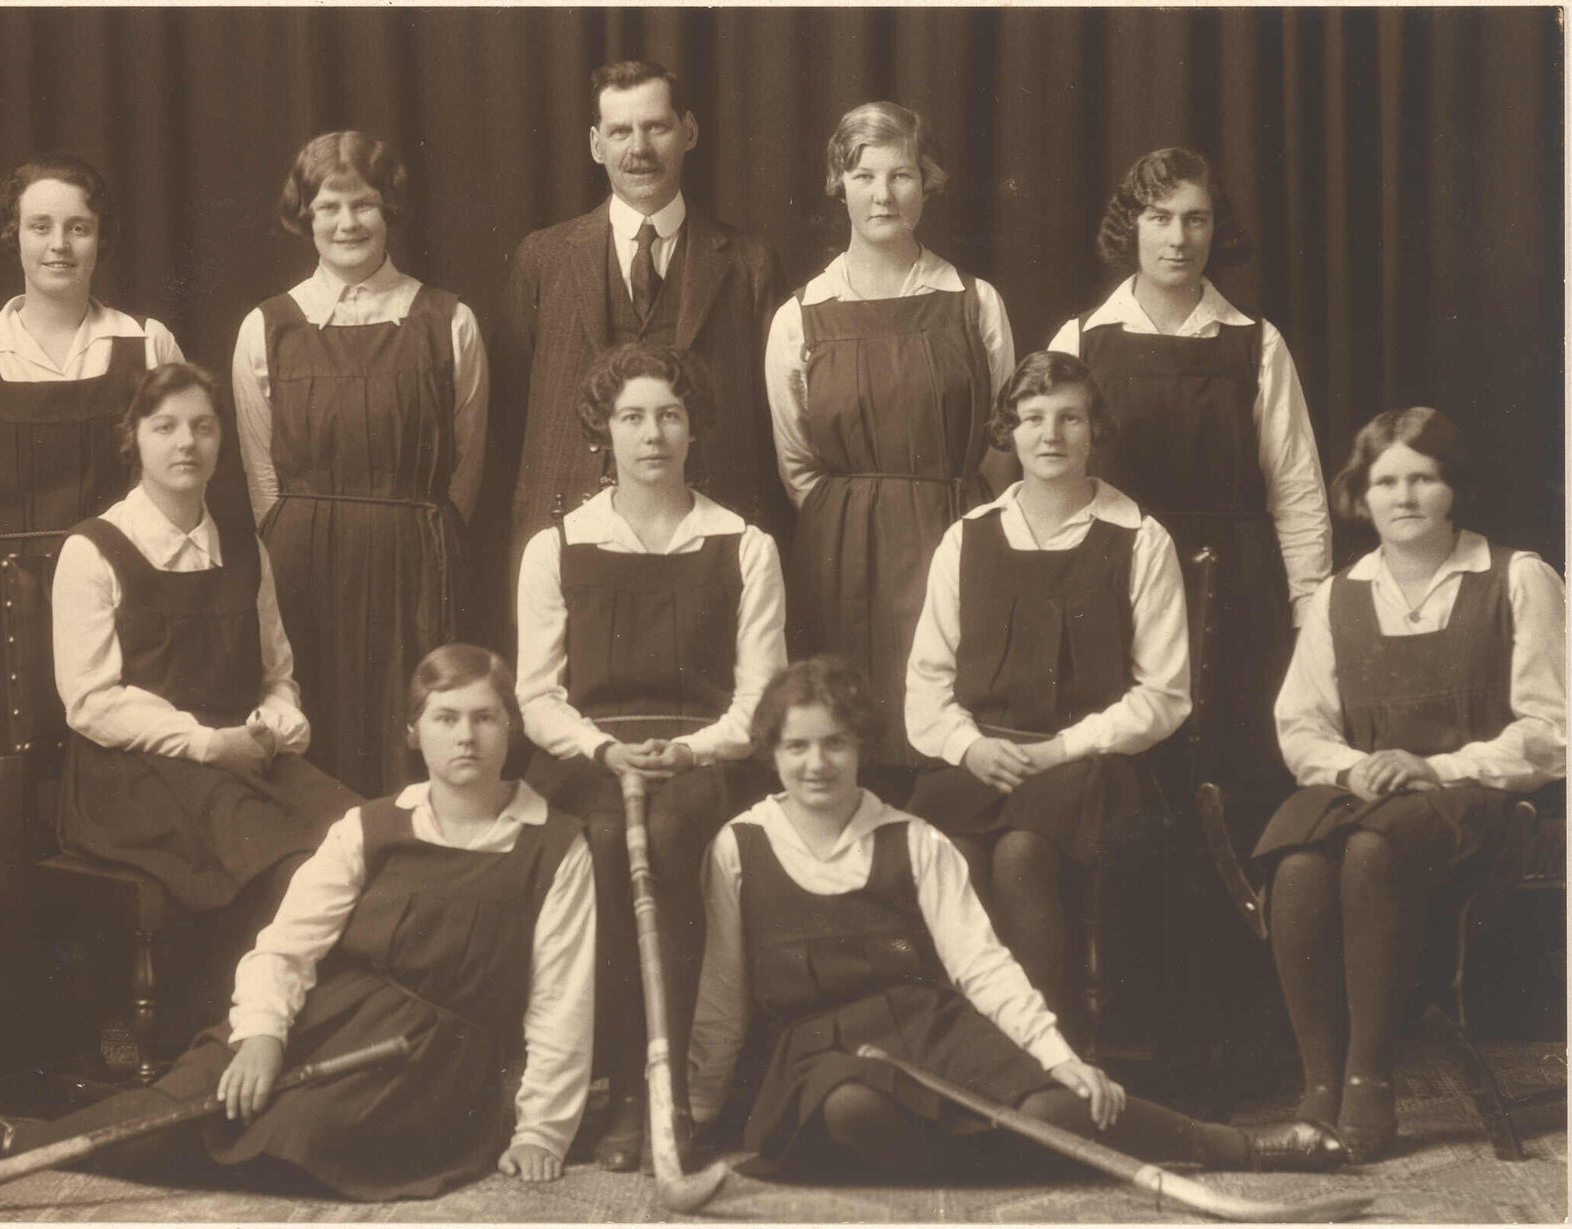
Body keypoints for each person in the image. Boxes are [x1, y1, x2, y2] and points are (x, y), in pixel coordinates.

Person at [0, 644, 596, 1200]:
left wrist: (543, 1130)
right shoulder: (372, 826)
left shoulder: (553, 844)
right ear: (415, 732)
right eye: (446, 718)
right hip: (325, 1018)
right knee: (197, 1088)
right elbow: (286, 947)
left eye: (484, 717)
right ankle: (9, 1140)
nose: (466, 737)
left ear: (513, 726)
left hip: (428, 1070)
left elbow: (562, 1004)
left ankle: (25, 1143)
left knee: (305, 1135)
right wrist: (261, 1036)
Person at [687, 657, 1345, 1180]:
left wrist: (1061, 1059)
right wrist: (697, 1110)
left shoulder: (912, 839)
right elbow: (722, 995)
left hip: (927, 1035)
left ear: (861, 744)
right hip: (818, 1057)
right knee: (852, 1108)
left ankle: (1237, 1148)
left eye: (834, 743)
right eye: (796, 746)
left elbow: (984, 967)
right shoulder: (739, 845)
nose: (815, 764)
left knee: (1059, 1106)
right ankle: (1028, 1156)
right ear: (772, 752)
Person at [1255, 407, 1565, 1161]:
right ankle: (1319, 1086)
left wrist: (1439, 767)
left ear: (1453, 486)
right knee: (1297, 859)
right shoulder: (1340, 595)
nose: (1404, 496)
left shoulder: (1516, 577)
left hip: (1478, 801)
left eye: (1422, 477)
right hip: (1366, 796)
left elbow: (1553, 727)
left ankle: (1370, 1079)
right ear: (1361, 495)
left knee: (1371, 848)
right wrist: (1349, 766)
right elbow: (1300, 725)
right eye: (1385, 480)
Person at [516, 343, 786, 1170]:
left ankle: (669, 1090)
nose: (653, 434)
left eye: (670, 414)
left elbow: (759, 703)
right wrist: (605, 749)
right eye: (632, 416)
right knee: (593, 848)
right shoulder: (555, 545)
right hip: (589, 759)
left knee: (672, 844)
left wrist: (688, 751)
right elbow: (536, 697)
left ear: (693, 427)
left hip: (704, 760)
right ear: (603, 429)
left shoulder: (745, 545)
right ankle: (615, 1084)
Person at [50, 362, 360, 1030]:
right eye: (165, 426)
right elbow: (91, 702)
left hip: (241, 756)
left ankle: (312, 1029)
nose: (186, 442)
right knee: (280, 858)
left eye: (203, 426)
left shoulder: (245, 550)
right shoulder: (94, 548)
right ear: (132, 437)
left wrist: (275, 729)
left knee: (356, 831)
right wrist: (206, 743)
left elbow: (278, 676)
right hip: (129, 774)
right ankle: (230, 1032)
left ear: (223, 439)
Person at [904, 352, 1190, 1040]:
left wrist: (1061, 748)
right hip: (985, 767)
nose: (1051, 434)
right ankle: (968, 1050)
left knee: (1021, 852)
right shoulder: (967, 539)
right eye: (1032, 418)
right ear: (1011, 431)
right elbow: (925, 683)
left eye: (1070, 417)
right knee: (951, 853)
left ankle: (1044, 1051)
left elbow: (1164, 694)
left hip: (1091, 769)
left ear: (1096, 429)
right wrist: (969, 748)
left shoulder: (1140, 539)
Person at [1046, 147, 1332, 808]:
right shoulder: (1082, 340)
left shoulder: (1257, 343)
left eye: (1196, 219)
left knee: (1231, 770)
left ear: (1215, 228)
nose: (1178, 239)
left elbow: (1295, 486)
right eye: (1159, 217)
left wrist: (1308, 606)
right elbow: (1051, 481)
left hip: (1234, 583)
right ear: (1132, 226)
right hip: (1115, 580)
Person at [767, 101, 1017, 801]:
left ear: (928, 182)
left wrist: (953, 507)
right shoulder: (801, 314)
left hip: (954, 535)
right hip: (842, 556)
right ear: (837, 184)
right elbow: (797, 462)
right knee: (856, 745)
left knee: (947, 744)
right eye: (864, 174)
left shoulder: (974, 302)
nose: (884, 194)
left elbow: (1003, 443)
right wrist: (857, 519)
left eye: (902, 174)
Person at [232, 131, 488, 797]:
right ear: (305, 216)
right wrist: (299, 541)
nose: (348, 223)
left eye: (365, 205)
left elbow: (467, 463)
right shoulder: (268, 326)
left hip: (416, 561)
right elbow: (261, 472)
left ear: (390, 211)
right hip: (303, 569)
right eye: (329, 207)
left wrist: (422, 540)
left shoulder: (447, 319)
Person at [0, 151, 186, 763]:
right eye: (41, 226)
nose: (59, 245)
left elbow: (182, 493)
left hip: (125, 599)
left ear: (100, 238)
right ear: (15, 237)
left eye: (78, 227)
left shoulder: (147, 343)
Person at [495, 59, 783, 611]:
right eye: (620, 131)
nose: (639, 148)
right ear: (596, 144)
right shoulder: (543, 258)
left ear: (689, 131)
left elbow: (775, 419)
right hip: (567, 536)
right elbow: (506, 419)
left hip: (710, 535)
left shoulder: (750, 263)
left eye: (656, 127)